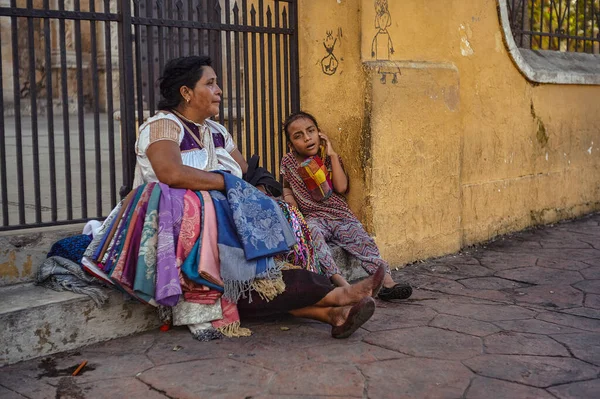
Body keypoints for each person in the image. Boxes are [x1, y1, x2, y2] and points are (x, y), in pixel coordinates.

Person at [82, 56, 381, 340]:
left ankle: (334, 315)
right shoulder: (163, 125)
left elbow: (246, 174)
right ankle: (338, 298)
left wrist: (259, 192)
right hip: (179, 239)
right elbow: (170, 172)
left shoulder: (217, 132)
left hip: (222, 233)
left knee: (257, 272)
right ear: (186, 92)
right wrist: (228, 185)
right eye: (210, 83)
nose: (219, 90)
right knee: (242, 276)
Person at [280, 111, 412, 301]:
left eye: (311, 131)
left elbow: (342, 187)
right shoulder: (289, 162)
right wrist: (289, 200)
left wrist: (332, 153)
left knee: (362, 241)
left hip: (340, 215)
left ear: (320, 134)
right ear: (291, 144)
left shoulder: (328, 158)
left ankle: (388, 283)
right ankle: (343, 286)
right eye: (298, 136)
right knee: (313, 238)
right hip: (313, 217)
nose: (307, 138)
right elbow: (287, 186)